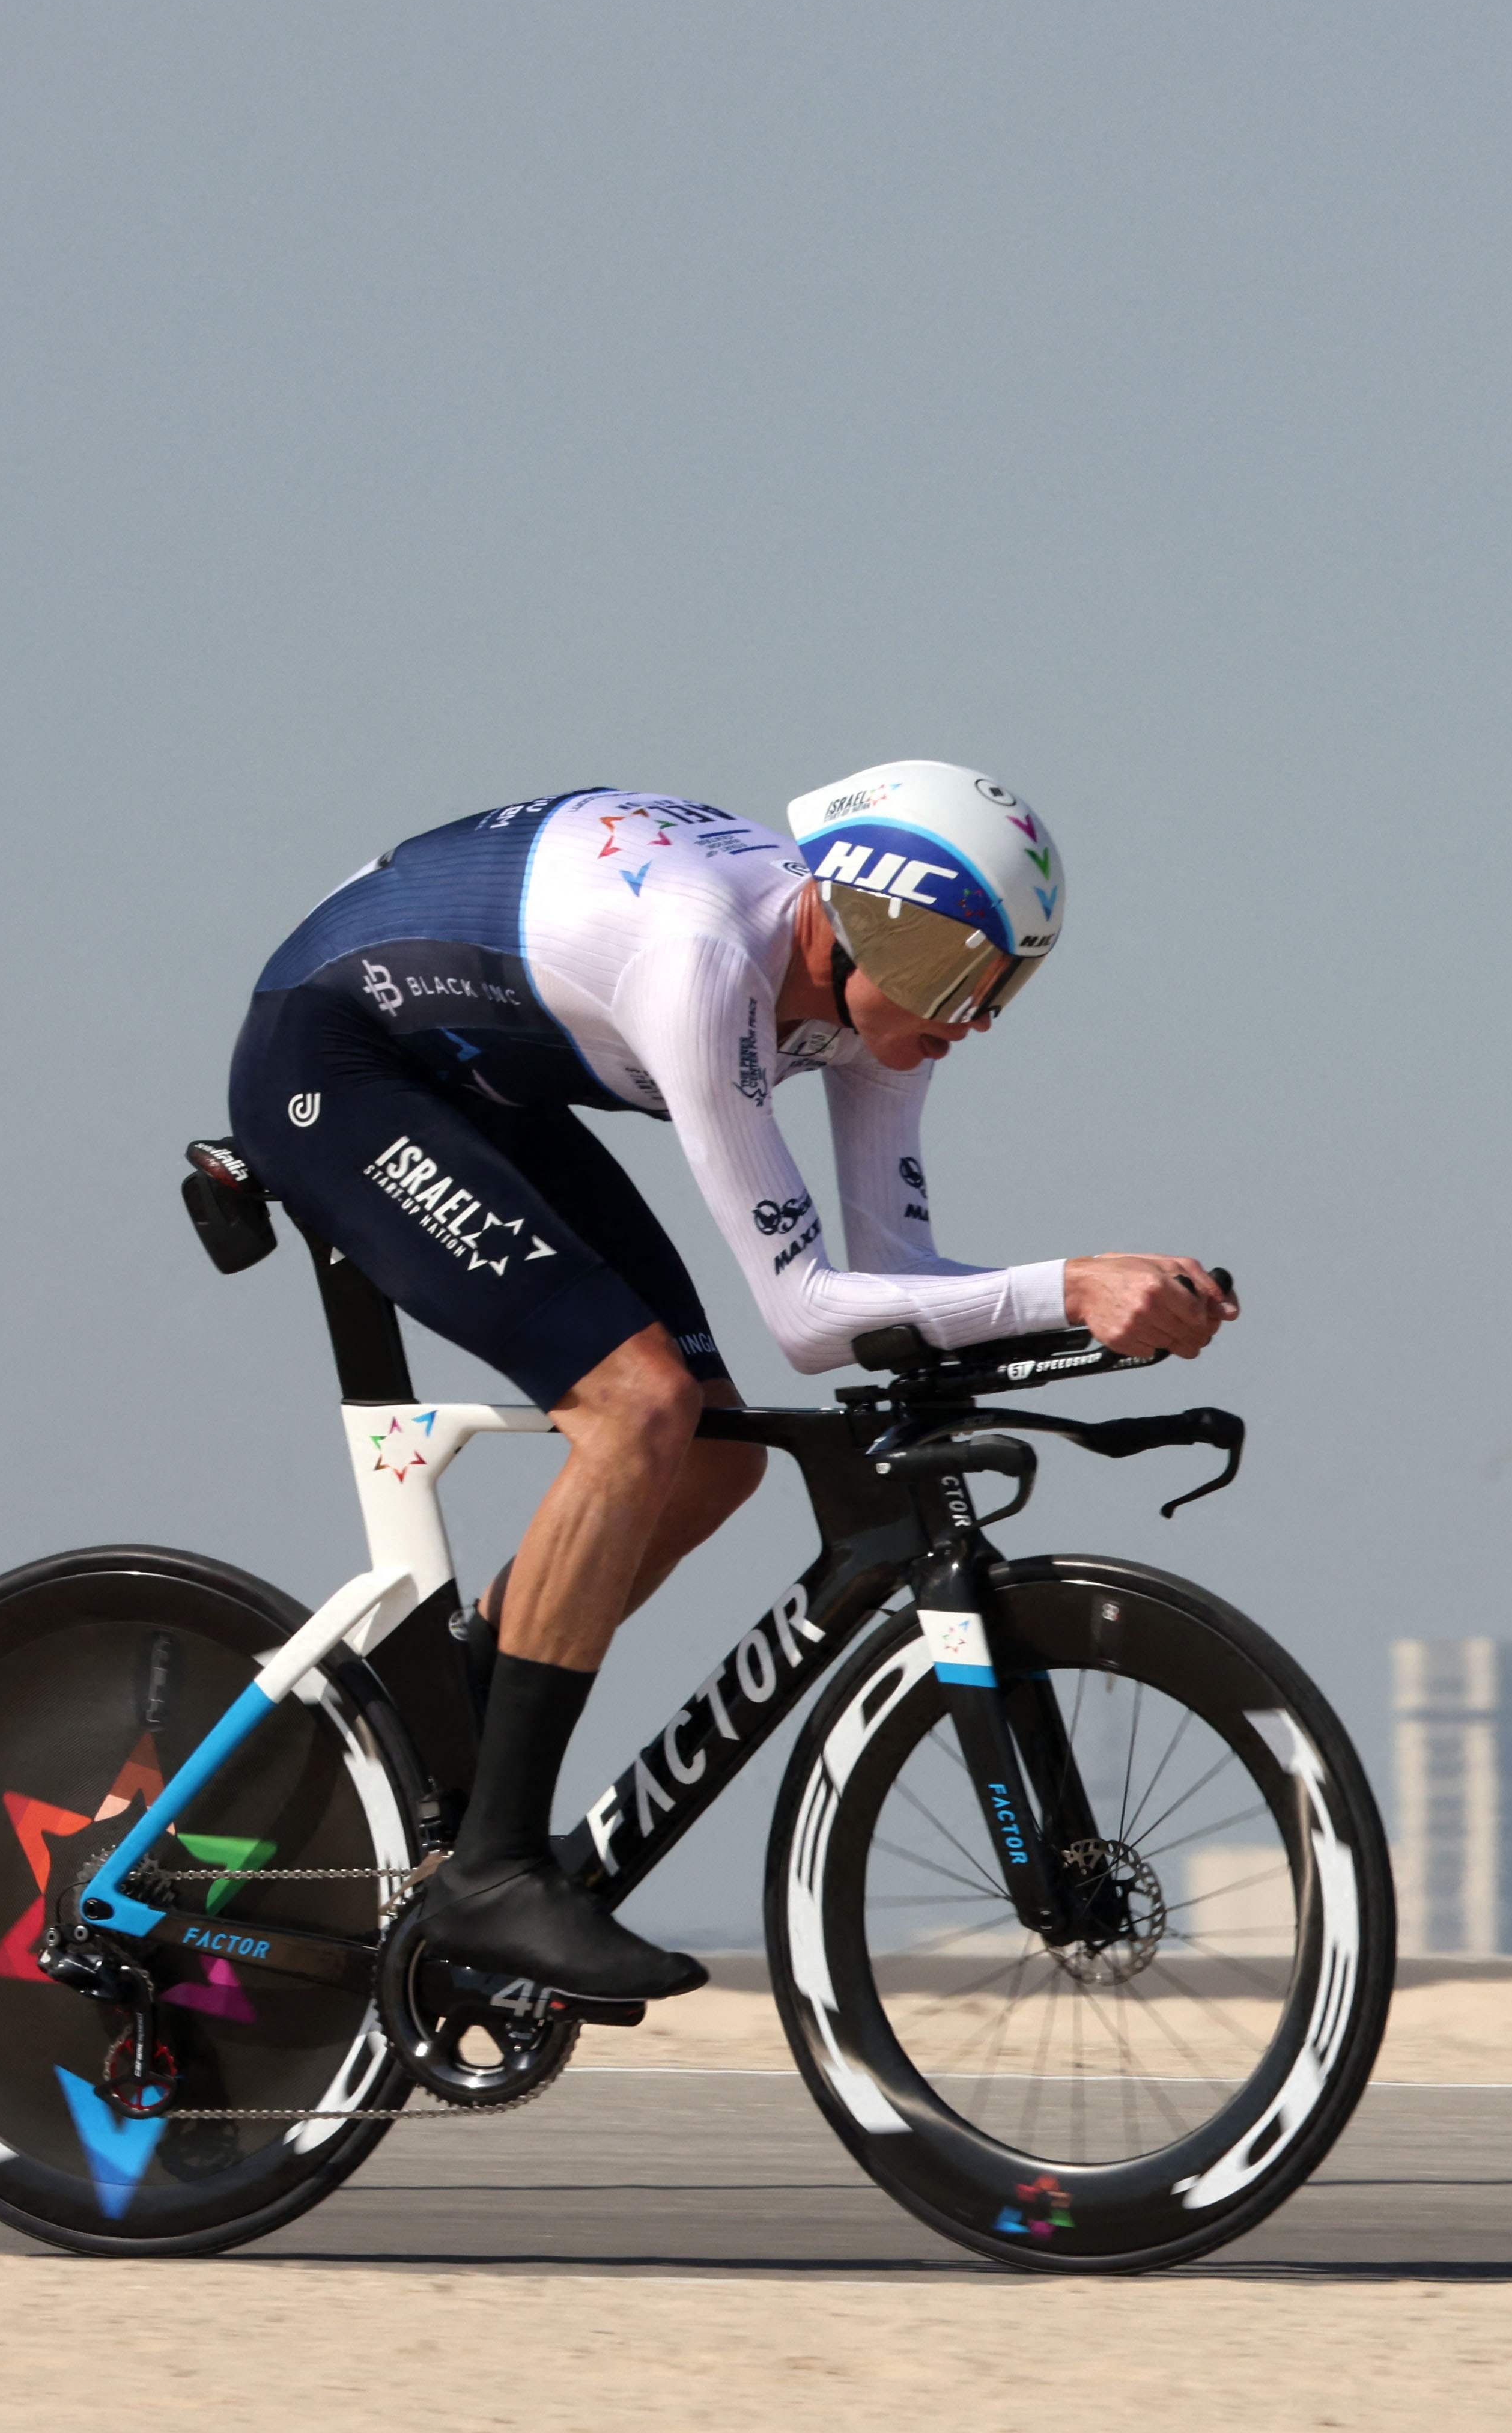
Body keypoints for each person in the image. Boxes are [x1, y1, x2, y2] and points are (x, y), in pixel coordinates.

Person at [224, 763, 1231, 2003]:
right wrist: (1067, 1285)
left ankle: (449, 1742)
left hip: (483, 1083)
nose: (978, 1021)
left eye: (1007, 986)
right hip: (338, 1064)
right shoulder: (703, 958)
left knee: (714, 1457)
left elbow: (896, 1276)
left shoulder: (885, 1002)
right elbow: (806, 1317)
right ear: (880, 925)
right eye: (970, 978)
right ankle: (491, 1869)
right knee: (640, 1407)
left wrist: (1082, 1316)